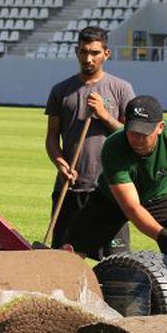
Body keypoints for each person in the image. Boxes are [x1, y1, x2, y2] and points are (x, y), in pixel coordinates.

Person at [65, 95, 167, 312]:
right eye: (132, 132)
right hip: (110, 200)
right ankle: (64, 308)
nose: (137, 139)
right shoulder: (114, 147)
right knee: (73, 255)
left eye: (144, 134)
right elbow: (132, 207)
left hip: (161, 194)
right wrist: (161, 235)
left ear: (160, 127)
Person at [44, 25, 135, 257]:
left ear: (106, 53)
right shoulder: (61, 91)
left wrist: (105, 116)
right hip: (70, 187)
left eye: (94, 52)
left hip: (110, 188)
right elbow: (52, 137)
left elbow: (131, 134)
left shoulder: (121, 89)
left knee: (116, 260)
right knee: (65, 258)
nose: (88, 58)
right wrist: (59, 163)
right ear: (76, 52)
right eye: (84, 52)